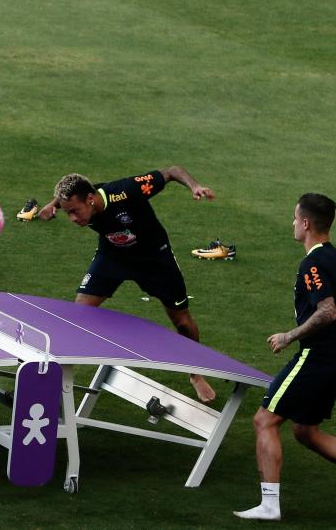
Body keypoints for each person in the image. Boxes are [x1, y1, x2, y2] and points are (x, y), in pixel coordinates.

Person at [234, 193, 336, 521]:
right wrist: (335, 337)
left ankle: (269, 505)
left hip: (317, 356)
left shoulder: (313, 263)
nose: (292, 224)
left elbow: (328, 310)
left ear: (306, 223)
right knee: (305, 430)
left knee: (264, 420)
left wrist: (289, 336)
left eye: (294, 218)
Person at [40, 167, 217, 402]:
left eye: (74, 211)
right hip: (113, 256)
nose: (73, 219)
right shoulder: (84, 196)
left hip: (154, 259)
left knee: (182, 321)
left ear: (91, 200)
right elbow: (72, 191)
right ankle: (56, 376)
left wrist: (194, 186)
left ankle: (196, 374)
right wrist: (53, 204)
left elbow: (172, 171)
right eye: (67, 213)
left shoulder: (126, 191)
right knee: (80, 311)